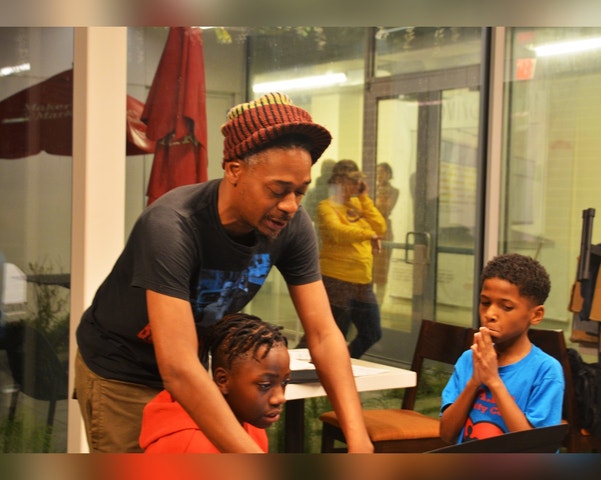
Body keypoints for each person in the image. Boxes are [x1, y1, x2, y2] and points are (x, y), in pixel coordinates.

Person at [74, 92, 374, 453]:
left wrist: (358, 440)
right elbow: (178, 367)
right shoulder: (172, 224)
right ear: (234, 170)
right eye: (277, 190)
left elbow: (324, 335)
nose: (290, 206)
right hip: (122, 371)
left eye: (300, 192)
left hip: (196, 371)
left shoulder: (293, 226)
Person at [439, 253, 565, 444]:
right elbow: (446, 434)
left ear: (536, 315)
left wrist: (493, 381)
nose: (490, 314)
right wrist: (474, 382)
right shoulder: (469, 359)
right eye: (485, 303)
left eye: (506, 307)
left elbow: (533, 447)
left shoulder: (546, 370)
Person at [139, 313, 290, 453]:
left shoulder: (252, 424)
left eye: (284, 382)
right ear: (222, 380)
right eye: (265, 385)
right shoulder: (189, 445)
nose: (280, 398)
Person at [315, 159, 387, 358]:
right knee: (335, 334)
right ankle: (322, 368)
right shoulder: (326, 207)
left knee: (372, 332)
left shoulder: (358, 204)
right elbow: (337, 232)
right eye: (352, 181)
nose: (357, 185)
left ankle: (342, 362)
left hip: (362, 282)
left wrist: (364, 198)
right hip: (337, 279)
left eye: (358, 181)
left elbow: (380, 227)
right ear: (339, 181)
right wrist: (368, 235)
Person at [372, 162, 399, 305]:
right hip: (369, 230)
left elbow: (384, 208)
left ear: (389, 174)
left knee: (381, 273)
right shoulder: (371, 189)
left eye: (382, 172)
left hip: (384, 232)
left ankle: (379, 306)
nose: (379, 175)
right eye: (377, 172)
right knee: (368, 270)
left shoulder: (394, 191)